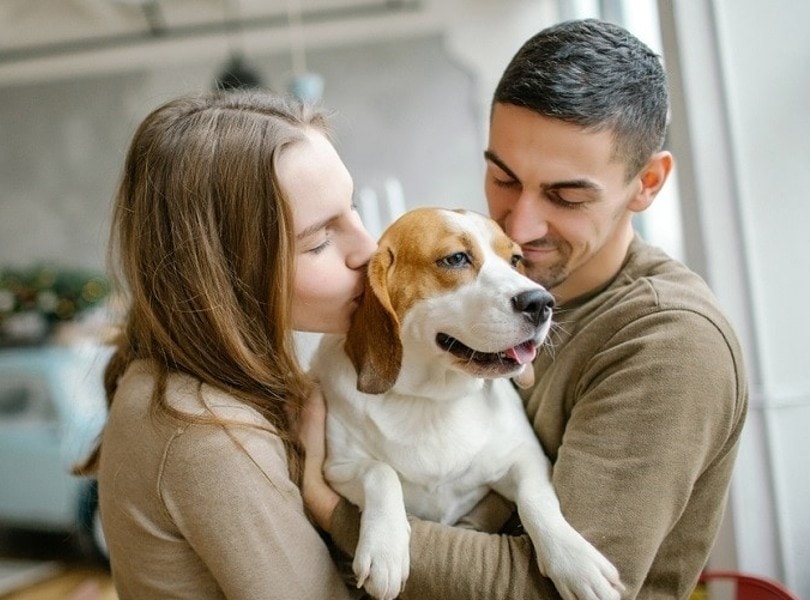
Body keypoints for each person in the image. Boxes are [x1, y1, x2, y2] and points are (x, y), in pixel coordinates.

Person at [300, 18, 748, 599]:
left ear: (647, 183)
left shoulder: (670, 344)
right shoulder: (502, 289)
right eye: (503, 179)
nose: (521, 224)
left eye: (566, 196)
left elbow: (544, 590)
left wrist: (330, 508)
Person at [76, 89, 377, 599]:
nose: (369, 249)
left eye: (352, 208)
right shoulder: (205, 431)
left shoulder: (174, 379)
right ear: (226, 269)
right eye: (320, 240)